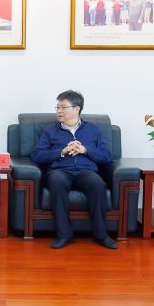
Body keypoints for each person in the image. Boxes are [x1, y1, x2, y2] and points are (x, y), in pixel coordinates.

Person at [32, 90, 118, 250]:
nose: (59, 111)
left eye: (63, 107)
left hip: (86, 172)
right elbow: (37, 155)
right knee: (56, 181)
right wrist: (62, 152)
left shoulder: (94, 130)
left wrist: (85, 150)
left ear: (76, 109)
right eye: (57, 107)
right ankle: (64, 235)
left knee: (98, 184)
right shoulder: (49, 130)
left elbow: (107, 156)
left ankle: (101, 234)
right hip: (60, 171)